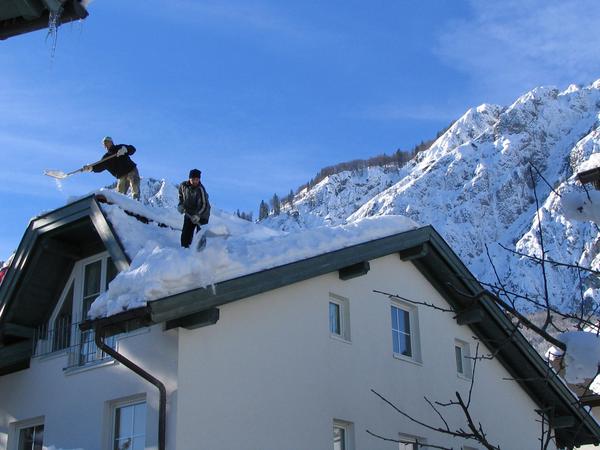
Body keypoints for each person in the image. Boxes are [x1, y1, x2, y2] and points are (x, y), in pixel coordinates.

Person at [85, 136, 141, 200]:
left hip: (131, 170)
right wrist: (91, 168)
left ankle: (136, 201)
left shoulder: (120, 147)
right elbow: (99, 166)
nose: (105, 145)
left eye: (107, 142)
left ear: (111, 142)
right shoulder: (106, 158)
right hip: (121, 175)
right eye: (104, 144)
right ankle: (120, 206)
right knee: (120, 194)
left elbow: (132, 149)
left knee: (135, 186)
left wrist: (126, 149)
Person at [178, 168, 210, 248]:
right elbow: (181, 197)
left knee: (200, 234)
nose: (196, 181)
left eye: (197, 179)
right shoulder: (183, 186)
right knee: (186, 234)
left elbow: (204, 205)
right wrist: (180, 205)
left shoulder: (201, 189)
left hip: (202, 214)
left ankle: (201, 253)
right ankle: (184, 250)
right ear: (190, 178)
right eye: (194, 179)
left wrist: (198, 215)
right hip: (189, 213)